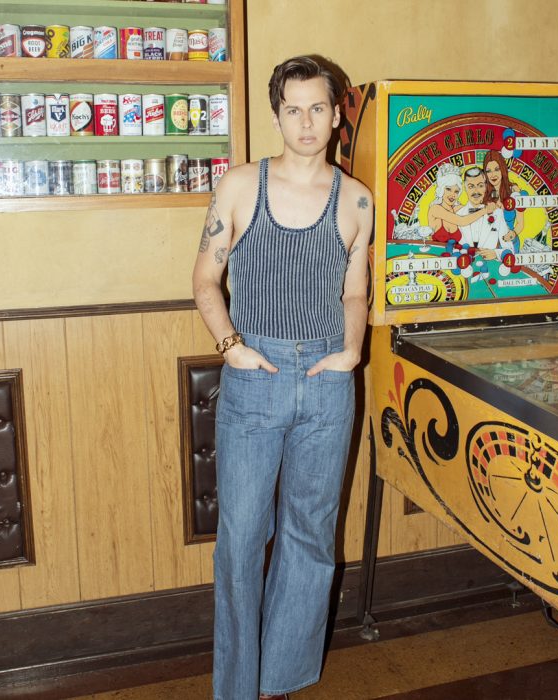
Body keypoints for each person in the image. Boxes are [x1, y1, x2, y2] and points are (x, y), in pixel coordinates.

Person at [192, 55, 373, 700]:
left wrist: (351, 353)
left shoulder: (357, 199)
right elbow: (205, 279)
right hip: (255, 377)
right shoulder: (241, 186)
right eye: (293, 109)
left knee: (310, 537)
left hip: (328, 380)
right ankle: (238, 687)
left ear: (336, 115)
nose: (306, 122)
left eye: (318, 108)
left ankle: (281, 682)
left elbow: (356, 292)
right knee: (241, 538)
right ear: (277, 116)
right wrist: (231, 347)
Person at [427, 162, 493, 244]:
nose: (452, 195)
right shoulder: (435, 209)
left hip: (458, 251)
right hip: (437, 251)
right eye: (448, 189)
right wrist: (485, 210)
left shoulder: (457, 208)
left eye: (456, 191)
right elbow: (462, 221)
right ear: (441, 189)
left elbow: (474, 207)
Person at [458, 167, 515, 258]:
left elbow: (510, 249)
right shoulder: (458, 214)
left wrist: (496, 254)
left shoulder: (497, 213)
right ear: (465, 187)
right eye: (471, 186)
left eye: (480, 186)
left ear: (486, 186)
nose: (476, 191)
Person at [482, 149, 524, 248]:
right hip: (489, 245)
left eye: (497, 169)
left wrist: (513, 233)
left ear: (503, 169)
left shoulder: (514, 191)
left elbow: (520, 223)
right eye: (488, 171)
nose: (493, 175)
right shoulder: (483, 192)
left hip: (510, 242)